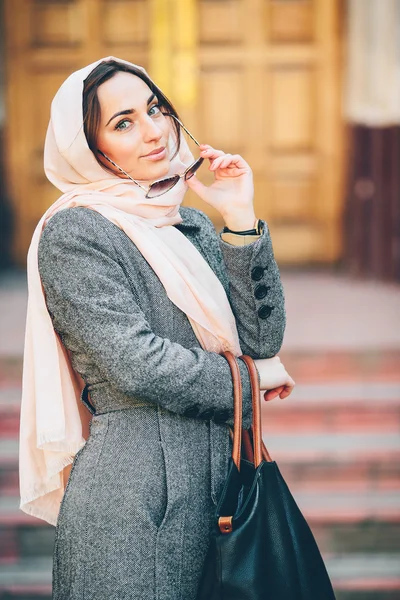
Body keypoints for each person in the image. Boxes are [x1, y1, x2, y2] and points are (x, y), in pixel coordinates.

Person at [20, 56, 295, 599]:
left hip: (222, 484)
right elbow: (138, 365)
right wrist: (249, 379)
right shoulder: (76, 232)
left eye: (156, 110)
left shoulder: (185, 221)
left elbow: (262, 340)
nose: (153, 131)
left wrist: (240, 220)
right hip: (139, 496)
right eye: (122, 123)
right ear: (91, 149)